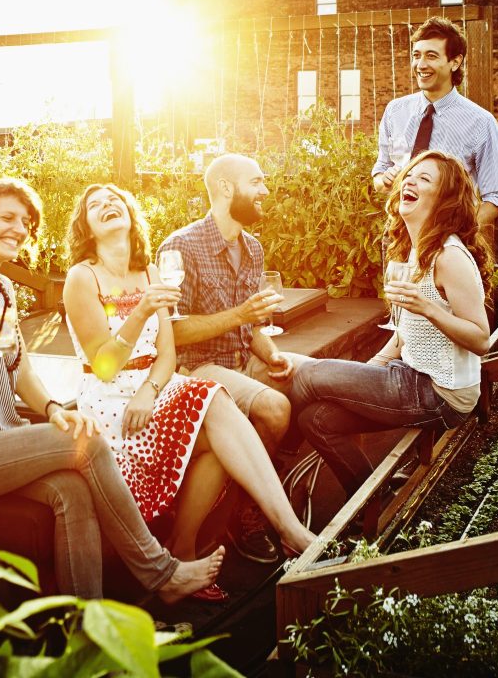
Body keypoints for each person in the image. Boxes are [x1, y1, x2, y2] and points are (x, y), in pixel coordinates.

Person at [0, 176, 224, 602]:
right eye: (8, 218)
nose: (20, 228)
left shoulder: (2, 290)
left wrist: (55, 409)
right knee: (87, 441)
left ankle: (84, 629)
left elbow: (17, 369)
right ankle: (161, 572)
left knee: (71, 491)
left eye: (25, 222)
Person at [63, 183, 318, 593]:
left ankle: (190, 545)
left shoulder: (149, 272)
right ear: (87, 227)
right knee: (211, 399)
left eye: (115, 198)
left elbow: (166, 353)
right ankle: (284, 531)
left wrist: (151, 390)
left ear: (130, 213)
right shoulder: (82, 278)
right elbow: (105, 365)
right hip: (110, 400)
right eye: (95, 204)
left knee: (213, 406)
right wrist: (142, 309)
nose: (107, 204)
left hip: (153, 387)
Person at [292, 150, 494, 498]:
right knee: (316, 419)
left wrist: (429, 308)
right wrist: (369, 372)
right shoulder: (409, 252)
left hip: (442, 393)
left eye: (425, 178)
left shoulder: (449, 256)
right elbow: (406, 333)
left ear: (444, 200)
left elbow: (481, 340)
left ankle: (276, 462)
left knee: (306, 374)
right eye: (411, 174)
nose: (411, 180)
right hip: (411, 376)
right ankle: (373, 499)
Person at [156, 153, 312, 563]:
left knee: (309, 382)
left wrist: (272, 353)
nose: (265, 191)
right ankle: (247, 513)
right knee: (276, 409)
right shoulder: (180, 246)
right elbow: (171, 332)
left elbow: (251, 326)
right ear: (226, 187)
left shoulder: (254, 248)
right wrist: (243, 316)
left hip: (243, 361)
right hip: (199, 369)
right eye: (256, 182)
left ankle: (246, 494)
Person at [371, 16, 498, 244]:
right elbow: (380, 169)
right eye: (417, 55)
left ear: (455, 62)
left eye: (431, 56)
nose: (421, 65)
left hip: (448, 245)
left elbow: (496, 198)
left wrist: (454, 235)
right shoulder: (396, 111)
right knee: (396, 282)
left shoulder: (481, 122)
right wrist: (383, 180)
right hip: (397, 237)